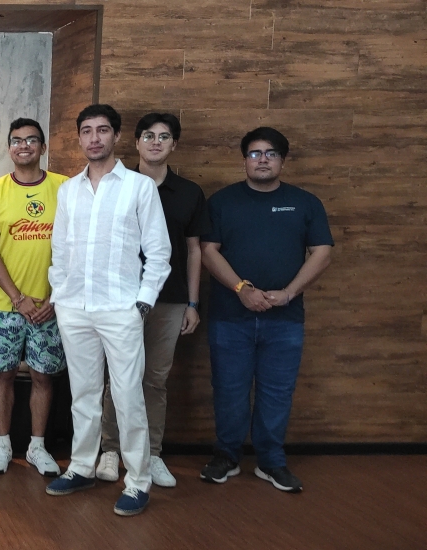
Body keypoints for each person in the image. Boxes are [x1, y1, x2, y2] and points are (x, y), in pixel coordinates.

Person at [44, 105, 171, 517]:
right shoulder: (68, 190)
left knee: (127, 395)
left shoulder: (139, 187)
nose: (94, 138)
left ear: (116, 136)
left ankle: (137, 480)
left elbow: (159, 252)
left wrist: (143, 301)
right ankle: (81, 466)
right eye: (86, 131)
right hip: (75, 308)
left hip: (121, 308)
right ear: (78, 138)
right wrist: (61, 296)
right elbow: (60, 251)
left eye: (102, 130)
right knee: (82, 394)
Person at [199, 127, 332, 493]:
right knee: (229, 390)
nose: (262, 159)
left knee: (277, 391)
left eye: (270, 153)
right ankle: (226, 456)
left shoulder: (305, 203)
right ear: (244, 160)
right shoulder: (223, 202)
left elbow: (322, 252)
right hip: (230, 316)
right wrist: (242, 289)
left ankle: (271, 461)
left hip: (284, 320)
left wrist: (288, 293)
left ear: (282, 160)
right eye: (255, 153)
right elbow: (208, 251)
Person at [96, 113, 210, 488]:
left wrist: (192, 303)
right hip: (119, 298)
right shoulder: (117, 185)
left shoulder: (189, 193)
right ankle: (111, 450)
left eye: (164, 137)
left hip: (169, 298)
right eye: (148, 135)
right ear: (136, 142)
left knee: (154, 380)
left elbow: (194, 251)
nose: (155, 142)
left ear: (174, 144)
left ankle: (152, 453)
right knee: (118, 378)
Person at [0, 119, 69, 477]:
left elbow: (76, 249)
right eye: (16, 140)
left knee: (44, 376)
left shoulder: (65, 188)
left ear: (43, 147)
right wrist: (17, 298)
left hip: (51, 306)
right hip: (4, 306)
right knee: (4, 375)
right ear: (9, 147)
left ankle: (37, 446)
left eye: (31, 140)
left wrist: (55, 298)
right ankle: (2, 443)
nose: (23, 145)